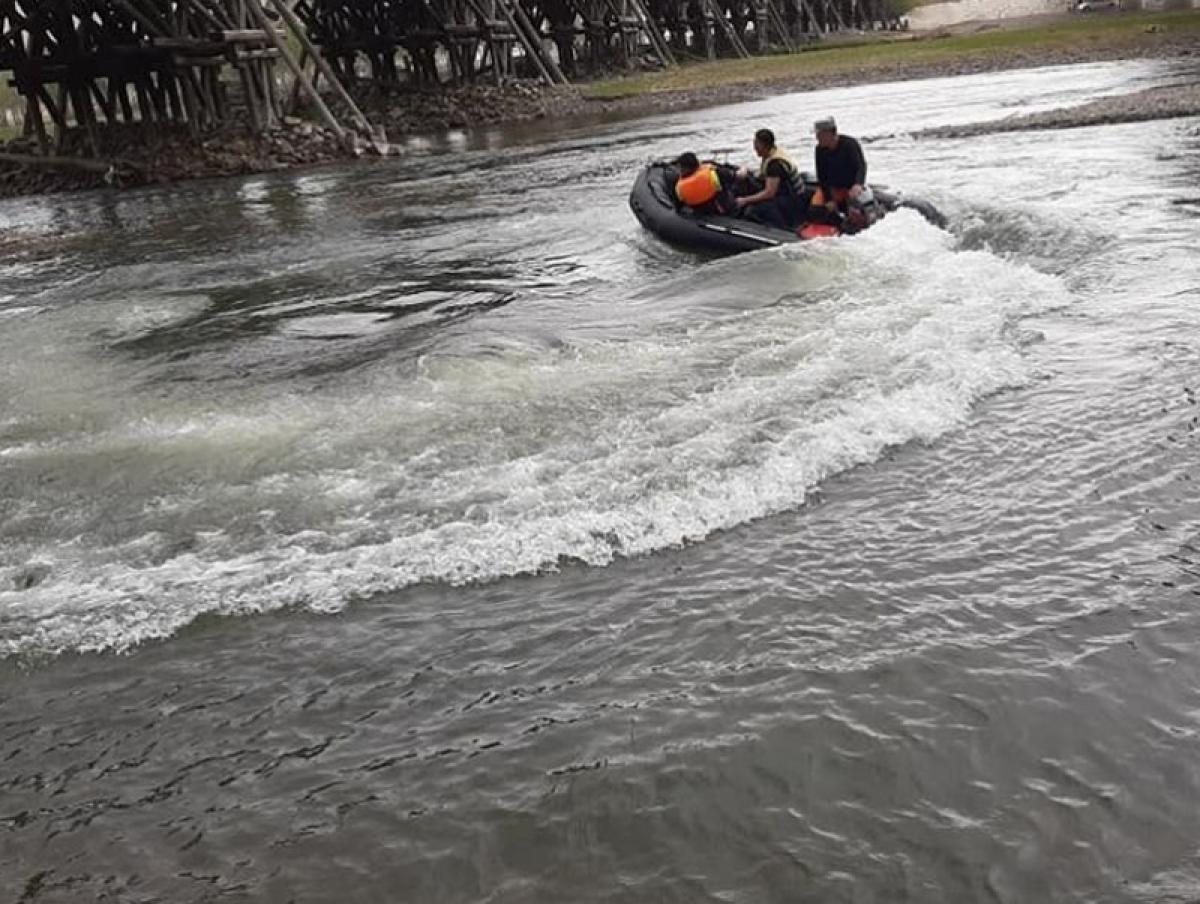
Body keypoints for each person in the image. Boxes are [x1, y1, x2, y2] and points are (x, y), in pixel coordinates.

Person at [733, 128, 806, 229]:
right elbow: (762, 176)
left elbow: (769, 193)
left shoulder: (775, 165)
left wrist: (745, 200)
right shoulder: (772, 152)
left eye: (756, 144)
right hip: (786, 194)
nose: (754, 148)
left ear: (764, 145)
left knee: (753, 210)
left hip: (792, 200)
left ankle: (781, 226)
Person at [812, 116, 867, 216]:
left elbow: (861, 166)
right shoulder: (819, 150)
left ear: (829, 134)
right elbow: (821, 175)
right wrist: (829, 199)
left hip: (851, 187)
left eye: (819, 135)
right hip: (833, 188)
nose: (817, 138)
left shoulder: (850, 144)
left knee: (856, 212)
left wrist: (858, 184)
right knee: (816, 210)